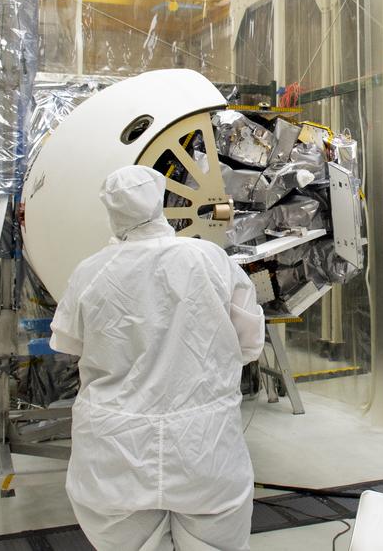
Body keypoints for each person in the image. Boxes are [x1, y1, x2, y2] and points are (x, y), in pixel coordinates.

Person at [51, 165, 265, 551]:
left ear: (111, 211)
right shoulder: (210, 259)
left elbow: (69, 344)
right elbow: (250, 344)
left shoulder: (90, 271)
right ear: (160, 201)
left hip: (114, 450)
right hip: (204, 445)